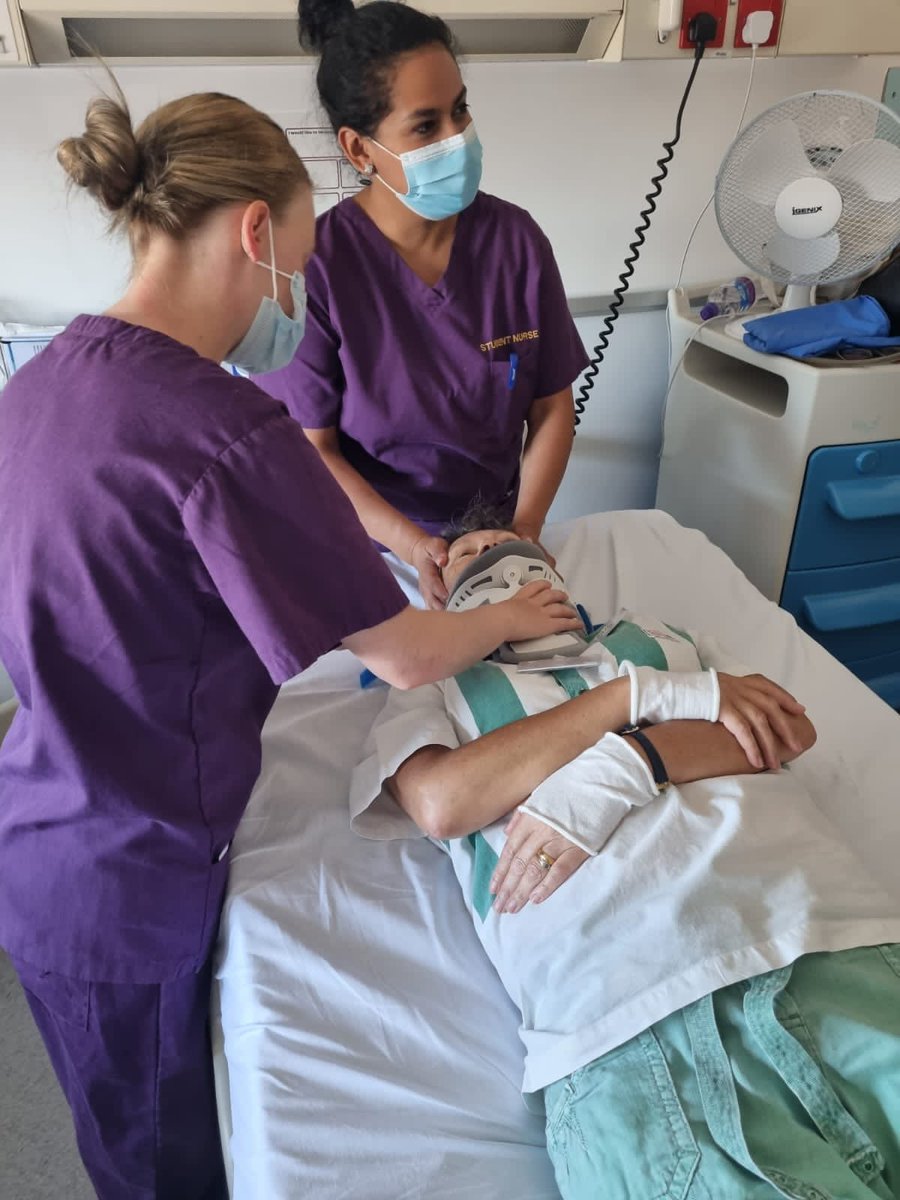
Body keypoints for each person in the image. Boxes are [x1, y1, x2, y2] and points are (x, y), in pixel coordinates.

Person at [0, 90, 583, 1200]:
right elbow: (407, 658)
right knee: (161, 1169)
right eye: (306, 265)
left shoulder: (40, 384)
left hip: (39, 837)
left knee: (116, 1140)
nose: (299, 300)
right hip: (133, 885)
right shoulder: (226, 433)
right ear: (256, 232)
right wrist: (509, 615)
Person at [350, 519, 900, 1200]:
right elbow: (444, 802)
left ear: (553, 569)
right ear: (441, 597)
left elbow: (784, 725)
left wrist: (632, 762)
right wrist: (630, 700)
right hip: (624, 1024)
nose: (490, 550)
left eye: (508, 543)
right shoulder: (430, 690)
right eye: (467, 553)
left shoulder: (657, 636)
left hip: (826, 941)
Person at [255, 0, 590, 609]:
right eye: (426, 126)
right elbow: (313, 450)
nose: (457, 138)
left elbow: (551, 407)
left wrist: (524, 535)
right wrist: (414, 548)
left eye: (460, 110)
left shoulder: (515, 242)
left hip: (497, 537)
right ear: (359, 150)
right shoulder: (317, 269)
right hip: (374, 548)